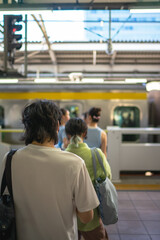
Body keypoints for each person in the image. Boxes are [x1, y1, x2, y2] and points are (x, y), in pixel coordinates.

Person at [0, 100, 100, 240]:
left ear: (27, 127)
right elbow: (86, 217)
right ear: (58, 126)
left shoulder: (10, 160)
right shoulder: (74, 163)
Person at [65, 118, 112, 240]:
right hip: (92, 218)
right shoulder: (96, 154)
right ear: (85, 133)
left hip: (69, 219)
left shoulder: (62, 156)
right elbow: (108, 177)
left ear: (67, 135)